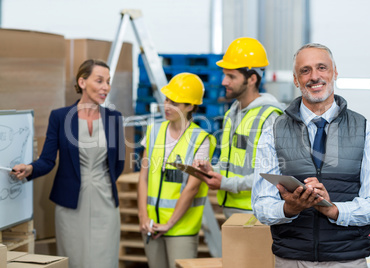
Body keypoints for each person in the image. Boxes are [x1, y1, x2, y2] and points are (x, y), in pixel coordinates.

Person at [252, 43, 370, 267]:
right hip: (292, 259)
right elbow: (261, 205)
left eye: (322, 68)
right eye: (305, 71)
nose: (314, 77)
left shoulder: (366, 131)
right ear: (296, 80)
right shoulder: (273, 133)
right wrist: (289, 208)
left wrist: (334, 209)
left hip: (347, 259)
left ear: (335, 72)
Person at [12, 59, 125, 268]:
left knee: (104, 261)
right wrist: (29, 169)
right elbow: (47, 160)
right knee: (75, 261)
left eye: (108, 81)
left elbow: (118, 163)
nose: (105, 87)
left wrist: (101, 184)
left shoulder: (114, 119)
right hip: (70, 204)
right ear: (82, 82)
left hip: (106, 204)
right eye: (99, 80)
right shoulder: (60, 117)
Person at [194, 37, 284, 218]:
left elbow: (273, 174)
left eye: (231, 76)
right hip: (231, 208)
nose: (223, 81)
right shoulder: (231, 114)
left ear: (251, 78)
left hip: (256, 212)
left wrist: (226, 183)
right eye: (224, 74)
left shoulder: (270, 117)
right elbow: (232, 164)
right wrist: (213, 171)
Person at [138, 73, 216, 268]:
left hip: (181, 228)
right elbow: (143, 178)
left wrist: (169, 224)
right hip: (151, 225)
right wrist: (143, 217)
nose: (167, 106)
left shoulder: (201, 139)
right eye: (166, 99)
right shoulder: (154, 131)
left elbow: (192, 188)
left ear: (190, 107)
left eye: (175, 103)